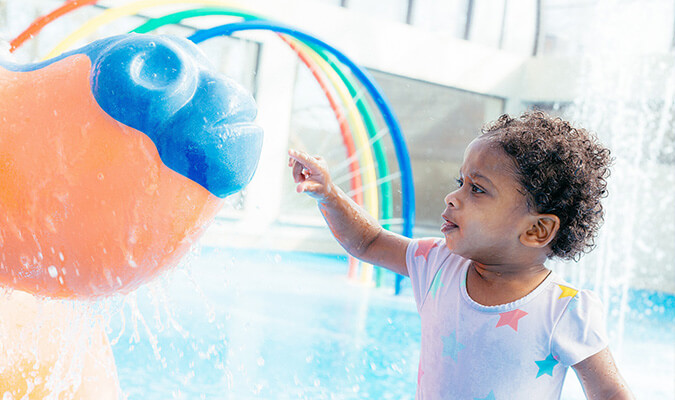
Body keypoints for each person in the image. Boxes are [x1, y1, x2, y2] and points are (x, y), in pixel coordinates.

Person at [288, 111, 633, 399]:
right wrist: (329, 194)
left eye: (478, 189)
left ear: (536, 230)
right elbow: (368, 241)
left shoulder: (563, 310)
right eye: (461, 181)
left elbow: (611, 395)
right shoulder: (438, 264)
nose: (453, 197)